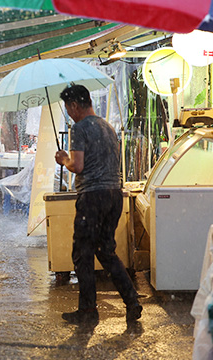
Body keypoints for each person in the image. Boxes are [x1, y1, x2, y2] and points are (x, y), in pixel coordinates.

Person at [55, 84, 142, 325]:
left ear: (74, 105)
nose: (69, 113)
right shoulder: (108, 126)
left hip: (92, 197)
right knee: (106, 251)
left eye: (68, 108)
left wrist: (64, 160)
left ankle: (88, 311)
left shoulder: (79, 128)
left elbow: (78, 166)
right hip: (114, 195)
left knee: (82, 254)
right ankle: (132, 301)